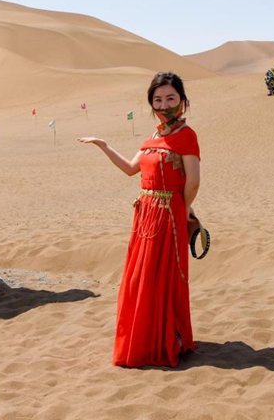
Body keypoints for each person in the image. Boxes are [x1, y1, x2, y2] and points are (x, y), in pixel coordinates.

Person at [78, 71, 200, 367]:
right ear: (151, 104)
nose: (164, 104)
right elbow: (132, 169)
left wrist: (181, 210)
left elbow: (193, 181)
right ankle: (144, 336)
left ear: (182, 101)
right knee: (140, 278)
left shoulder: (186, 136)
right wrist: (104, 146)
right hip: (145, 216)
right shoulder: (154, 137)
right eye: (158, 99)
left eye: (171, 98)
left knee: (159, 278)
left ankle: (163, 339)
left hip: (167, 217)